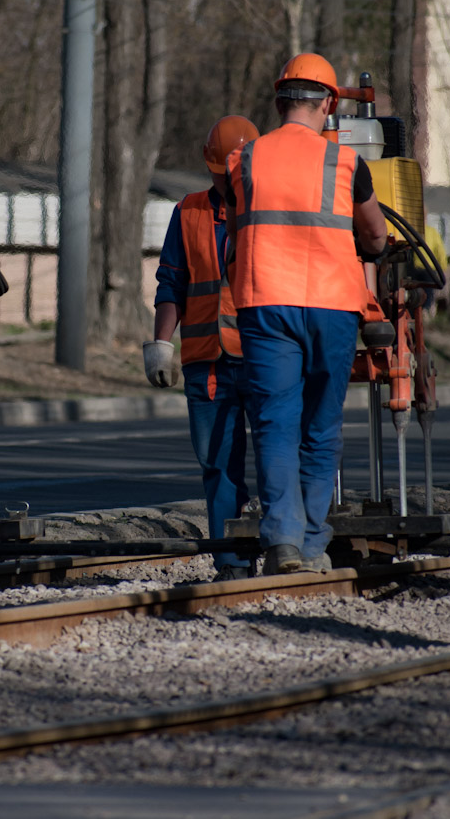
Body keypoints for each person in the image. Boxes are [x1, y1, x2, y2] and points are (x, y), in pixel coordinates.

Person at [225, 53, 388, 575]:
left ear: (278, 103)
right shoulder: (345, 163)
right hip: (333, 306)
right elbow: (377, 235)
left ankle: (283, 544)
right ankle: (314, 544)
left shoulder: (243, 159)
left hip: (264, 302)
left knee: (274, 424)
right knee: (320, 426)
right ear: (329, 104)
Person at [145, 115, 260, 582]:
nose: (226, 177)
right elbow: (171, 281)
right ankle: (232, 563)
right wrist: (159, 343)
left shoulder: (268, 213)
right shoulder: (188, 213)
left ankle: (282, 546)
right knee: (217, 464)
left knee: (278, 458)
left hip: (262, 359)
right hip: (206, 364)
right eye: (220, 169)